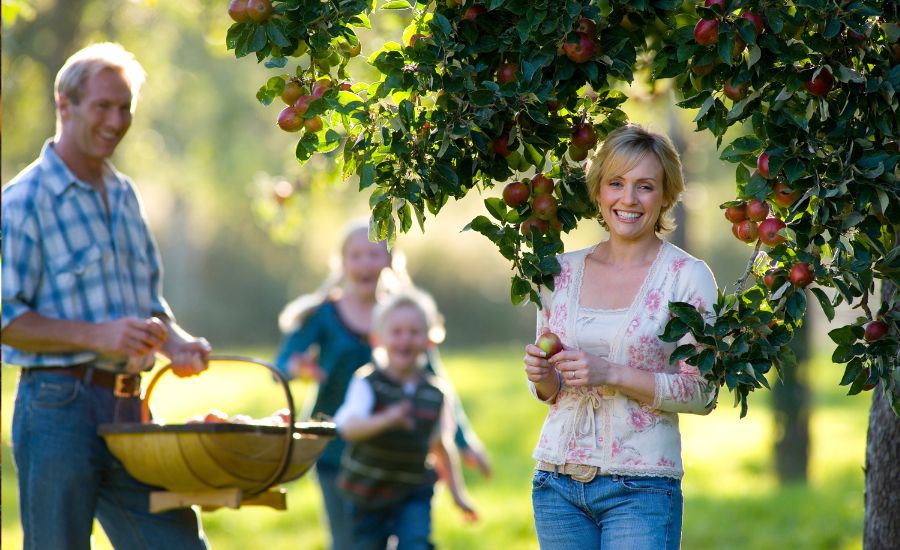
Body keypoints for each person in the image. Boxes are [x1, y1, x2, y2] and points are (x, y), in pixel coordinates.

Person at [1, 43, 211, 549]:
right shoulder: (24, 202)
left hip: (129, 412)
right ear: (64, 104)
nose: (116, 120)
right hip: (57, 408)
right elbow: (6, 319)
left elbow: (147, 303)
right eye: (103, 106)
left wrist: (175, 343)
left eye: (125, 108)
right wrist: (100, 337)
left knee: (178, 544)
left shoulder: (124, 194)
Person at [522, 124, 719, 549]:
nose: (628, 200)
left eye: (645, 186)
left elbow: (702, 391)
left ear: (666, 194)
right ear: (598, 192)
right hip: (557, 481)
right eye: (616, 183)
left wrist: (610, 372)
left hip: (641, 488)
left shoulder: (687, 278)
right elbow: (551, 391)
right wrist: (540, 375)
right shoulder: (558, 272)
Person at [274, 222, 490, 550]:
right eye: (356, 255)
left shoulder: (404, 321)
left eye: (374, 254)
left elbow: (435, 387)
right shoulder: (323, 314)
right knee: (352, 543)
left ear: (390, 261)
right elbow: (281, 364)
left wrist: (465, 441)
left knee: (409, 536)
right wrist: (296, 367)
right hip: (336, 449)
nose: (365, 264)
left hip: (398, 452)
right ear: (343, 263)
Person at [333, 290, 478, 549]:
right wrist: (387, 419)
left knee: (415, 542)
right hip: (366, 492)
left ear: (429, 340)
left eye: (414, 332)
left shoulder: (435, 393)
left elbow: (440, 446)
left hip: (413, 491)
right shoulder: (367, 382)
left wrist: (459, 495)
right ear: (378, 339)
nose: (405, 339)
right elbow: (348, 427)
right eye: (396, 331)